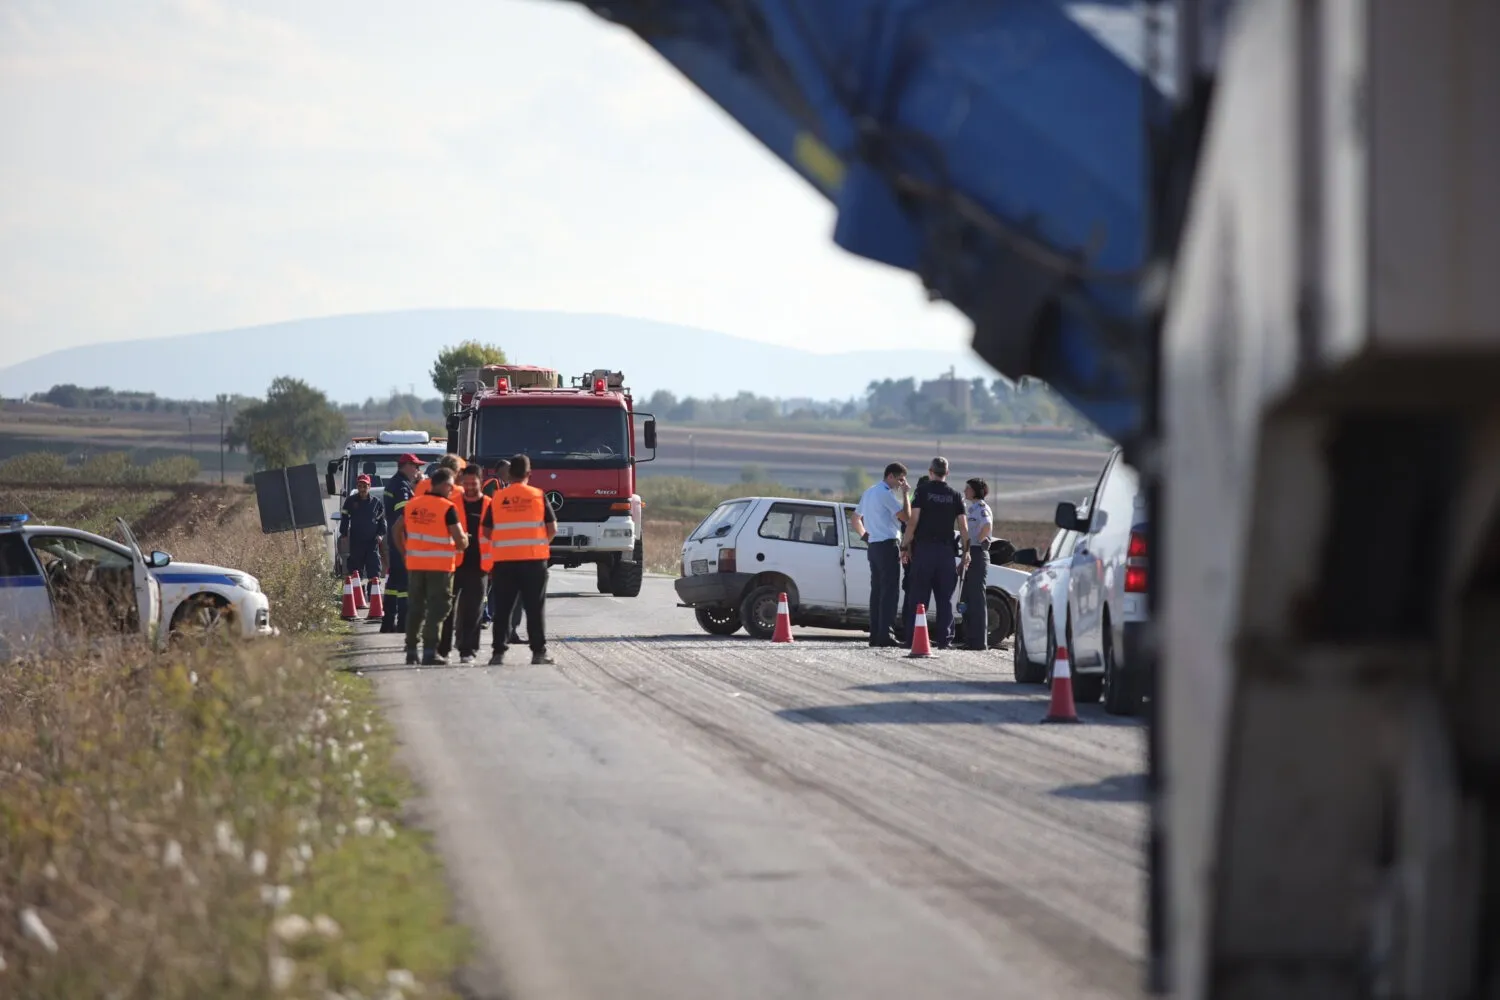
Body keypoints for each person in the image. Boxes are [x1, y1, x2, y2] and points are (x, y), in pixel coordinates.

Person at [484, 454, 557, 665]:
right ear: (528, 474)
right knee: (534, 609)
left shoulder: (498, 497)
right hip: (534, 561)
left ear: (510, 474)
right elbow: (552, 529)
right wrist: (538, 543)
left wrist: (504, 542)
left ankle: (498, 653)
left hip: (504, 562)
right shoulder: (537, 495)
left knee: (503, 609)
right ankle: (538, 653)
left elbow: (487, 531)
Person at [393, 468, 467, 665]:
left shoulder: (412, 505)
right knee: (439, 607)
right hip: (439, 567)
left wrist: (404, 552)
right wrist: (465, 541)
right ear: (443, 485)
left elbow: (396, 529)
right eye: (451, 486)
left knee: (416, 607)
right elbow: (459, 539)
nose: (452, 490)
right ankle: (429, 650)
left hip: (415, 564)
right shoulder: (447, 508)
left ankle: (411, 649)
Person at [900, 457, 969, 650]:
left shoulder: (922, 491)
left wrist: (905, 546)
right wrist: (967, 552)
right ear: (947, 473)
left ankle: (914, 638)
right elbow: (963, 527)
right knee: (945, 598)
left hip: (924, 551)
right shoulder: (956, 496)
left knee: (918, 596)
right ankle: (944, 639)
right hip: (946, 552)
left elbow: (913, 522)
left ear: (931, 471)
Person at [434, 466, 493, 664]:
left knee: (474, 610)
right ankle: (443, 649)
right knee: (447, 609)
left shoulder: (490, 505)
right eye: (465, 483)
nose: (469, 487)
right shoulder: (451, 503)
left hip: (479, 566)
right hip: (453, 564)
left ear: (480, 482)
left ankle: (468, 650)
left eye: (473, 484)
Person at [850, 462, 911, 647]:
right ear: (890, 476)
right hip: (887, 544)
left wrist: (865, 536)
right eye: (900, 479)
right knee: (889, 592)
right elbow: (906, 516)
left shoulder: (869, 492)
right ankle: (886, 635)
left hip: (874, 546)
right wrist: (907, 494)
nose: (901, 484)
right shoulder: (885, 493)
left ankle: (875, 635)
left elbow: (855, 518)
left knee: (876, 592)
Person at [380, 453, 423, 633]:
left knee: (393, 583)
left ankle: (388, 622)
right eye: (416, 466)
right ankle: (404, 623)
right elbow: (406, 512)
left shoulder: (396, 483)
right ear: (406, 465)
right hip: (403, 539)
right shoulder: (401, 485)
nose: (418, 470)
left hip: (395, 538)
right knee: (404, 583)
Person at [960, 478, 993, 650]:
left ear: (975, 491)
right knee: (966, 597)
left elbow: (986, 525)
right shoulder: (970, 508)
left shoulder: (980, 507)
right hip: (969, 553)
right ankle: (969, 638)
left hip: (977, 553)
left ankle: (979, 641)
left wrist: (978, 542)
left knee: (977, 598)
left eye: (967, 488)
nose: (965, 491)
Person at [340, 474, 385, 599]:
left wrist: (380, 534)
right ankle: (358, 597)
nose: (362, 488)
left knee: (374, 569)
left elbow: (382, 521)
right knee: (356, 569)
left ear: (369, 486)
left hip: (372, 542)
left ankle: (373, 596)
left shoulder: (376, 503)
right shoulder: (350, 501)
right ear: (357, 487)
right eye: (360, 486)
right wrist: (343, 533)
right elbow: (344, 518)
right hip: (356, 541)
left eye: (365, 486)